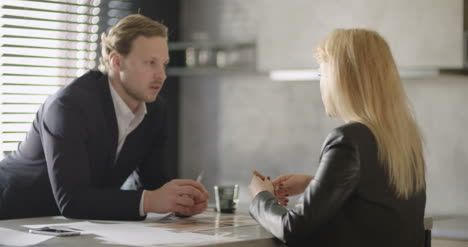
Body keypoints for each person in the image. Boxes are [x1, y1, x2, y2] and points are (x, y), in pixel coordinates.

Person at [0, 14, 209, 220]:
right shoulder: (68, 106)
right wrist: (152, 200)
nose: (161, 75)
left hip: (73, 225)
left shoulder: (155, 110)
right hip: (14, 214)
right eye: (150, 63)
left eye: (163, 64)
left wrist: (180, 202)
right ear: (116, 62)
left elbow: (151, 184)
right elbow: (72, 200)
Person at [248, 29, 426, 247]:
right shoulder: (404, 139)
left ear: (340, 80)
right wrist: (313, 184)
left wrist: (261, 197)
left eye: (321, 75)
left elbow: (292, 229)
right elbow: (374, 203)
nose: (321, 84)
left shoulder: (348, 139)